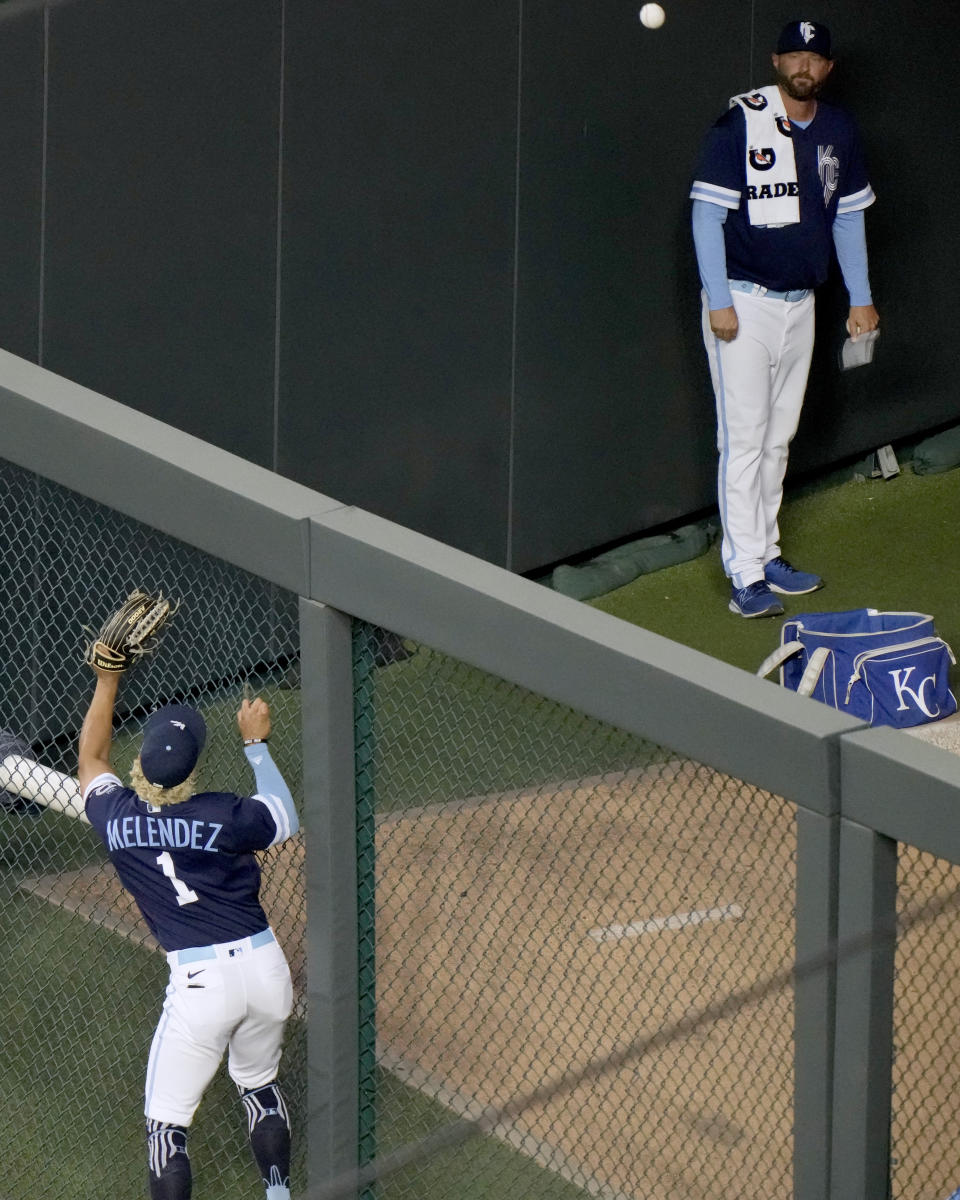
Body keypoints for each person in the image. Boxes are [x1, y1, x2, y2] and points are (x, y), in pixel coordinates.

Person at [77, 666, 300, 1200]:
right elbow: (284, 817)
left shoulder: (116, 818)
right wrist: (255, 745)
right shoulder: (226, 813)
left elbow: (90, 759)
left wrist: (107, 680)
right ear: (194, 768)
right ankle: (278, 1194)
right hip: (266, 970)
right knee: (260, 1088)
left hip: (200, 988)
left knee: (167, 1129)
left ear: (139, 762)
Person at [690, 19, 880, 617]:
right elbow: (704, 217)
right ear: (777, 62)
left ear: (826, 69)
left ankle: (767, 552)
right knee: (743, 440)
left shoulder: (839, 130)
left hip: (803, 304)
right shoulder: (739, 123)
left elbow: (848, 217)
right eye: (794, 54)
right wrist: (718, 299)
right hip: (742, 304)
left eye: (815, 57)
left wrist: (860, 296)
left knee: (778, 438)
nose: (805, 65)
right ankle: (744, 572)